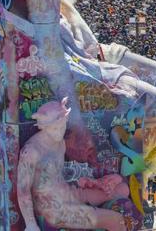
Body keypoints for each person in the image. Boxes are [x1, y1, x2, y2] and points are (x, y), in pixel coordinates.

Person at [17, 98, 129, 231]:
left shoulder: (61, 144)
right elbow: (23, 191)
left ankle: (98, 216)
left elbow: (60, 175)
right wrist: (30, 224)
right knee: (117, 221)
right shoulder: (31, 151)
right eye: (54, 128)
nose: (59, 132)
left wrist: (88, 182)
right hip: (53, 210)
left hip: (68, 194)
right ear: (43, 127)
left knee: (122, 189)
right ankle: (102, 218)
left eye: (62, 126)